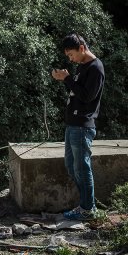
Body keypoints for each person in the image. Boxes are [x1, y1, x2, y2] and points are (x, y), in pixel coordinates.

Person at [51, 33, 105, 221]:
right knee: (71, 166)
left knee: (82, 168)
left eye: (71, 54)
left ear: (81, 48)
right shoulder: (82, 67)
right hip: (72, 125)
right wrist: (65, 79)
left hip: (83, 126)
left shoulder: (95, 68)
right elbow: (77, 92)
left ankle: (88, 209)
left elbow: (87, 96)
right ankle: (85, 205)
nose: (70, 58)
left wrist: (66, 79)